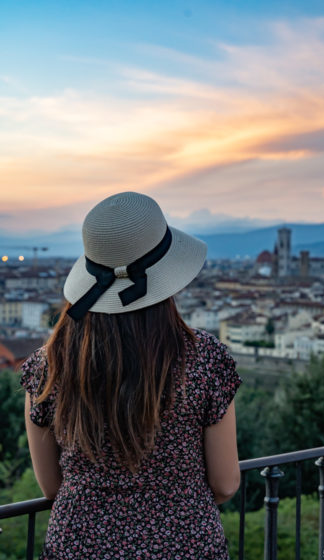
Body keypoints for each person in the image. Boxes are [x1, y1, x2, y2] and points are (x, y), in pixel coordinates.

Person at [21, 191, 242, 559]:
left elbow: (50, 488)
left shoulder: (48, 366)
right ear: (168, 275)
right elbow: (225, 483)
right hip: (184, 548)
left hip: (78, 549)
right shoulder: (204, 359)